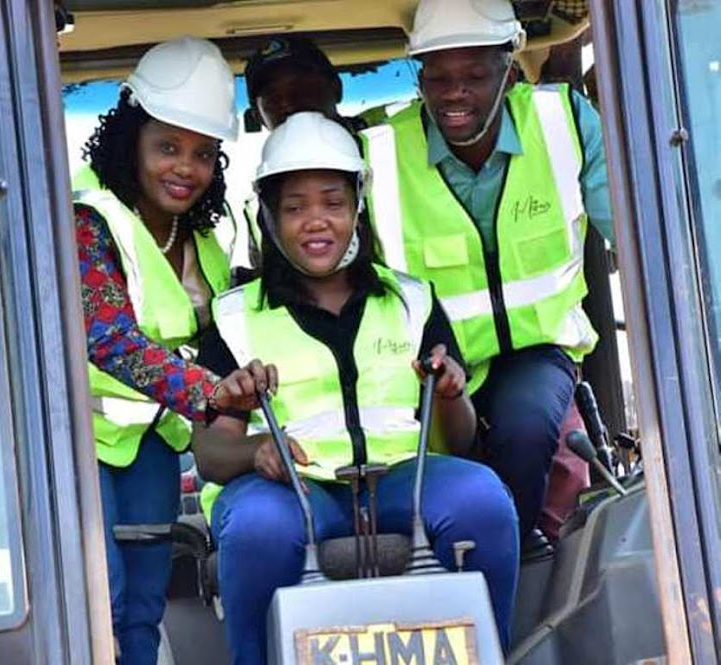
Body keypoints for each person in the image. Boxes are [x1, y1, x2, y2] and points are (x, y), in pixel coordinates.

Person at [192, 112, 519, 663]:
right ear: (269, 218)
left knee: (481, 498)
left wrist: (449, 396)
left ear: (357, 209)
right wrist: (256, 450)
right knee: (256, 528)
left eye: (333, 203)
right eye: (295, 208)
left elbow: (457, 442)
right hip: (294, 493)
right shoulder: (232, 318)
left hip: (402, 481)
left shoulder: (413, 300)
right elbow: (210, 455)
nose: (316, 222)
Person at [360, 0, 614, 539]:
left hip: (535, 351)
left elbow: (631, 231)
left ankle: (511, 564)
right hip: (428, 363)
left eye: (474, 75)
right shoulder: (378, 152)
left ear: (509, 67)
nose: (454, 93)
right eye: (437, 77)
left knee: (524, 430)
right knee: (422, 483)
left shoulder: (563, 120)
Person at [73, 36, 242, 665]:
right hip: (68, 440)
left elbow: (223, 339)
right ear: (130, 140)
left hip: (149, 441)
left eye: (201, 153)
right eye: (167, 146)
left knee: (145, 604)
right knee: (101, 600)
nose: (184, 168)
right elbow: (109, 338)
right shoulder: (89, 218)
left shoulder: (207, 246)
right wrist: (211, 394)